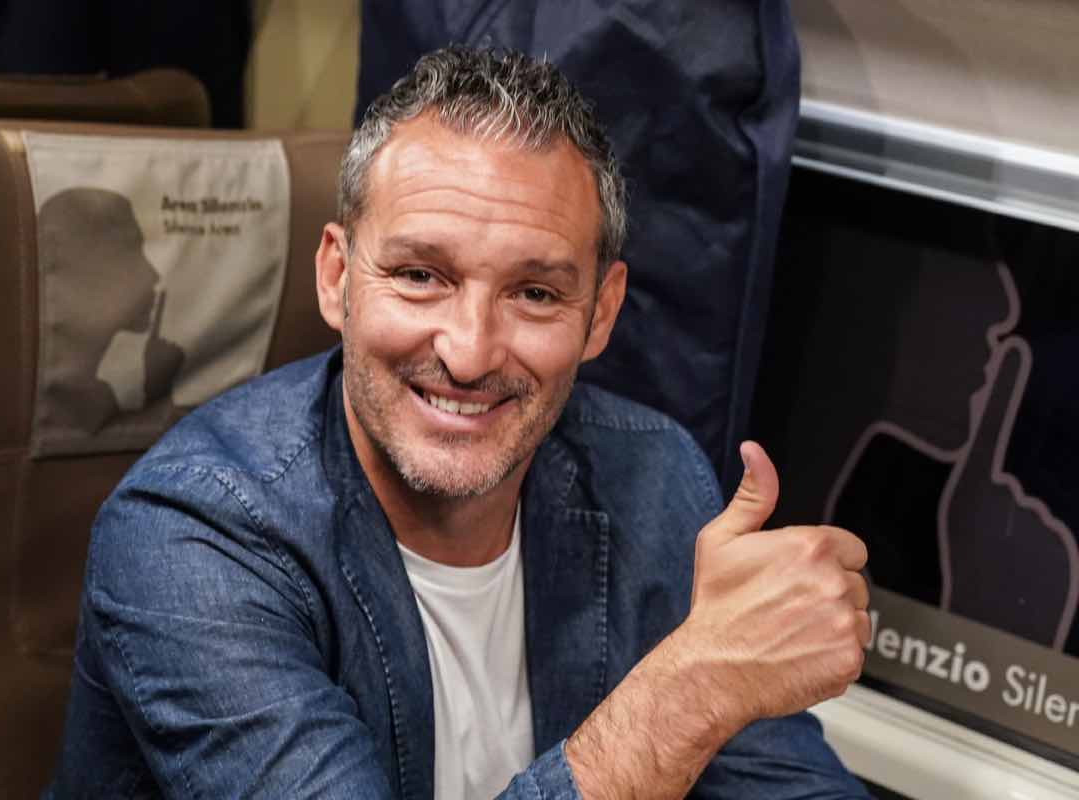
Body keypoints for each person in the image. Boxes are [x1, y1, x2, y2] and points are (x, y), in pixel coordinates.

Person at [46, 46, 870, 798]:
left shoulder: (650, 477)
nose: (470, 353)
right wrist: (692, 691)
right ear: (336, 277)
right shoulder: (188, 534)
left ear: (600, 313)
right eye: (420, 275)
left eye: (535, 294)